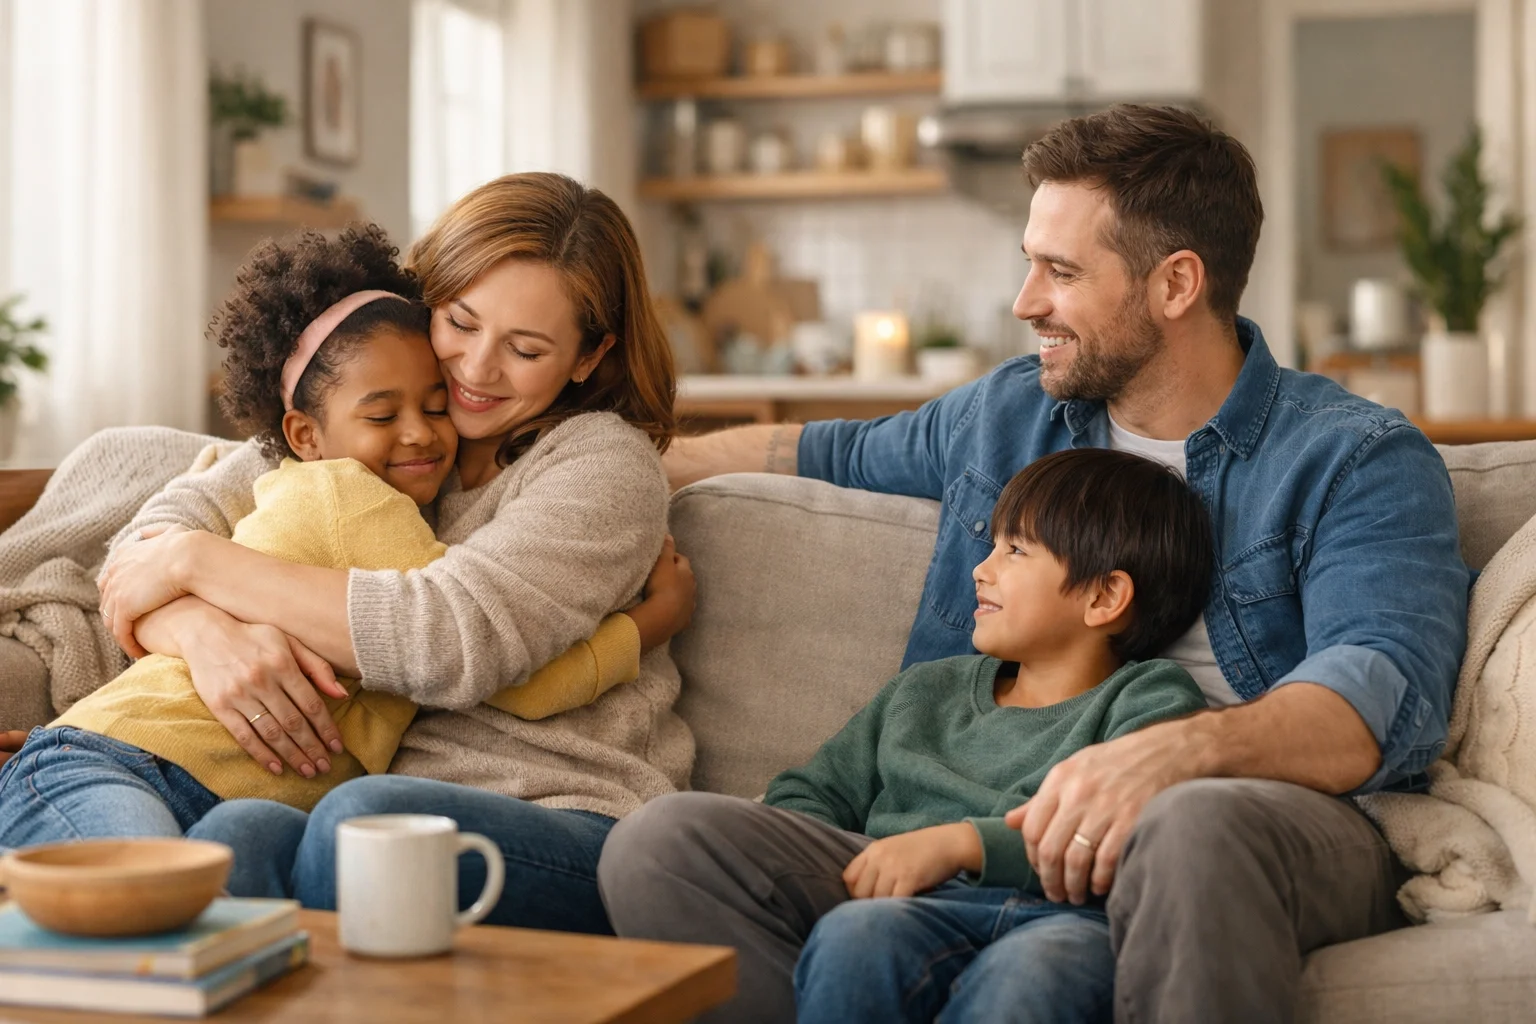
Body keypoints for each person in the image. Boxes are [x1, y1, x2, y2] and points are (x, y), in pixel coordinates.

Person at [600, 104, 1471, 1019]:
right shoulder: (1007, 415)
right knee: (664, 843)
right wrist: (586, 461)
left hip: (1250, 821)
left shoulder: (1351, 457)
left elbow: (1381, 691)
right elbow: (815, 452)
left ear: (1176, 283)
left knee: (1192, 821)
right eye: (1031, 264)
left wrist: (1178, 756)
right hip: (975, 837)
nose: (1025, 303)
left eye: (1060, 271)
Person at [91, 173, 695, 934]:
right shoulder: (391, 425)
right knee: (238, 836)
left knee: (358, 825)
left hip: (566, 817)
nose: (475, 370)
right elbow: (137, 552)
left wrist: (197, 565)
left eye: (527, 348)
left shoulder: (600, 466)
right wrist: (200, 632)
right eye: (461, 323)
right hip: (372, 802)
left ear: (589, 356)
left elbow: (447, 639)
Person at [605, 449, 1213, 1023]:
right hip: (885, 896)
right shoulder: (926, 691)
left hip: (1054, 917)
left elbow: (1124, 834)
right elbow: (809, 796)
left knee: (1037, 972)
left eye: (1016, 551)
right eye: (991, 546)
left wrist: (957, 845)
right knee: (660, 838)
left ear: (1105, 596)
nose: (980, 569)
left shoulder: (1149, 699)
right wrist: (844, 865)